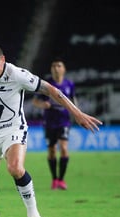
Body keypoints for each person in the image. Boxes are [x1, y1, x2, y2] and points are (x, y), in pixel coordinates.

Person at [0, 42, 102, 217]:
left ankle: (33, 214)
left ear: (3, 60)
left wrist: (77, 113)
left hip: (13, 128)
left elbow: (52, 90)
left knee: (15, 168)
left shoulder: (17, 75)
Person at [31, 58, 76, 190]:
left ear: (64, 69)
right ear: (51, 69)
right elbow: (35, 101)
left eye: (59, 65)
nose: (56, 68)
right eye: (54, 65)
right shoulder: (47, 84)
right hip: (49, 122)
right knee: (51, 151)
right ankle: (54, 179)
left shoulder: (69, 85)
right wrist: (42, 104)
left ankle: (61, 180)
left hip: (64, 121)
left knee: (63, 148)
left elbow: (73, 101)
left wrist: (78, 115)